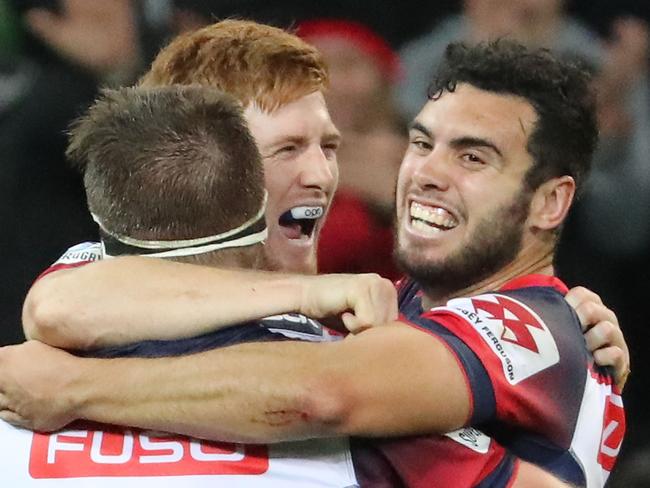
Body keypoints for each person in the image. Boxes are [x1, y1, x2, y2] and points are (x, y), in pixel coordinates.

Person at [0, 39, 627, 487]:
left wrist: (73, 389)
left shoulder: (539, 330)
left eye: (472, 157)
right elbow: (54, 306)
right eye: (421, 143)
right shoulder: (353, 315)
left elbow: (324, 392)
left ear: (552, 200)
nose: (324, 174)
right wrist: (295, 296)